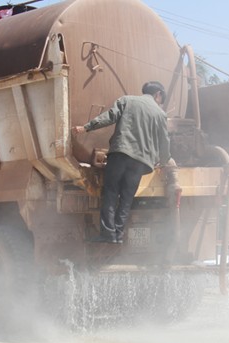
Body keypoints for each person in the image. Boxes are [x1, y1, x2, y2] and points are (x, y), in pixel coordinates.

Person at [72, 81, 172, 244]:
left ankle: (108, 235)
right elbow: (164, 141)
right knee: (126, 198)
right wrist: (164, 160)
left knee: (111, 193)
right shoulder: (160, 114)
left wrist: (86, 127)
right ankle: (118, 234)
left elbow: (109, 117)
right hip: (141, 162)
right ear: (158, 94)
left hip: (121, 154)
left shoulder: (127, 100)